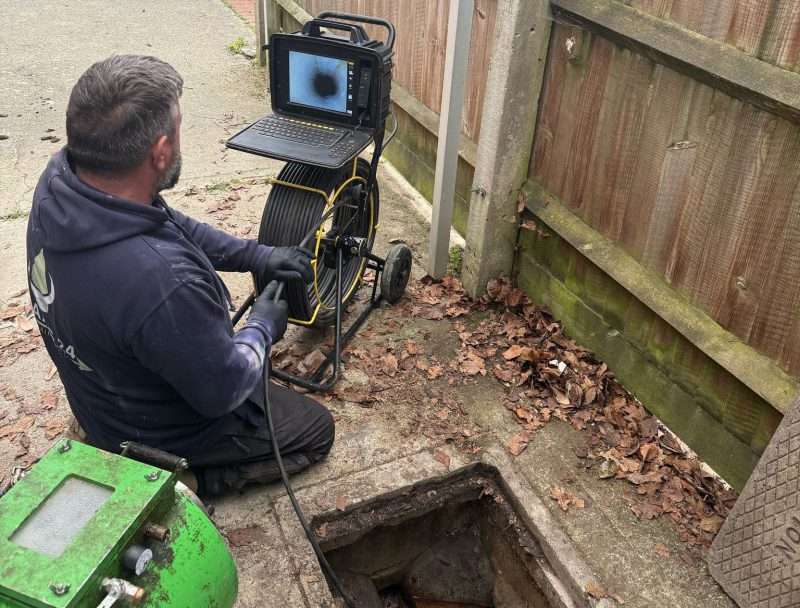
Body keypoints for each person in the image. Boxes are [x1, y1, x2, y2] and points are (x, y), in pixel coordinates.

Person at [26, 55, 335, 495]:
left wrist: (257, 255)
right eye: (178, 128)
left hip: (100, 399)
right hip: (157, 430)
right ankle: (186, 478)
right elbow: (223, 390)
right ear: (161, 151)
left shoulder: (63, 187)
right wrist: (263, 326)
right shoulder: (163, 282)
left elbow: (167, 222)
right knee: (315, 429)